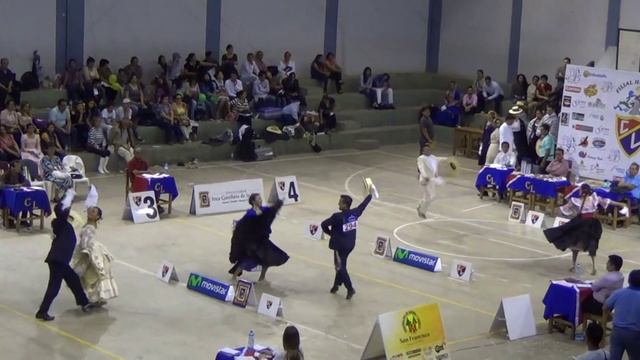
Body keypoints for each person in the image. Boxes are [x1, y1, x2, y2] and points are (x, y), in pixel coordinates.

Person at [36, 191, 93, 321]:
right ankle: (42, 311)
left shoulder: (63, 224)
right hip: (58, 260)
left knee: (73, 280)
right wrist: (68, 198)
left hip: (61, 260)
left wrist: (68, 200)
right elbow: (61, 210)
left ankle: (84, 302)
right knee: (54, 287)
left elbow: (63, 211)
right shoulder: (60, 223)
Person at [545, 184, 626, 275]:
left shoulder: (589, 199)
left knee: (582, 244)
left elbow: (564, 209)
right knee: (586, 245)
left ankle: (587, 266)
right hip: (587, 224)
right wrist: (621, 204)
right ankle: (579, 265)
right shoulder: (581, 200)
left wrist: (551, 209)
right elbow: (608, 201)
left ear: (582, 191)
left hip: (586, 225)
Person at [322, 192, 372, 300]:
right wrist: (370, 196)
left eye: (340, 202)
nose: (338, 204)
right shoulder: (355, 213)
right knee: (342, 264)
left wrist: (331, 234)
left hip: (340, 246)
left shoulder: (337, 217)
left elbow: (323, 224)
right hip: (350, 245)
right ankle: (336, 285)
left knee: (340, 267)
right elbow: (363, 205)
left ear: (345, 205)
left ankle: (350, 288)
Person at [228, 194, 288, 281]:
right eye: (258, 199)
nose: (261, 200)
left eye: (260, 198)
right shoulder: (250, 213)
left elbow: (271, 210)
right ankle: (234, 277)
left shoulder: (264, 209)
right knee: (247, 259)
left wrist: (278, 204)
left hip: (263, 240)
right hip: (252, 242)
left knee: (267, 258)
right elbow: (245, 224)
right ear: (253, 201)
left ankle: (262, 278)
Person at [71, 201, 118, 306]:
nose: (90, 212)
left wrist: (84, 250)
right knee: (89, 275)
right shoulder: (89, 225)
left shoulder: (90, 227)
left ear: (97, 217)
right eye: (91, 210)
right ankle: (93, 297)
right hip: (89, 250)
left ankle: (94, 298)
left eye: (93, 212)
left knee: (92, 275)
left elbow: (85, 243)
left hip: (90, 252)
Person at [604, 269, 640, 360]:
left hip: (617, 331)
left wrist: (611, 316)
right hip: (635, 333)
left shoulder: (619, 293)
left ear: (629, 281)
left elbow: (605, 307)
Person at [416, 143, 446, 218]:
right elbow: (421, 168)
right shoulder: (421, 158)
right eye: (425, 150)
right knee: (430, 196)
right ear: (423, 151)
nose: (427, 151)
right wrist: (425, 176)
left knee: (427, 196)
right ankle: (422, 211)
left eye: (428, 150)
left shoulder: (433, 157)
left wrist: (447, 159)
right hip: (425, 180)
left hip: (432, 180)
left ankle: (420, 206)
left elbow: (439, 159)